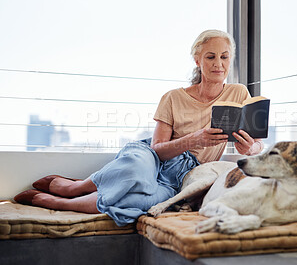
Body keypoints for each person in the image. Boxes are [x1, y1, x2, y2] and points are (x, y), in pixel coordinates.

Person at [14, 30, 264, 226]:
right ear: (198, 60)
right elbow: (158, 150)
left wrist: (251, 147)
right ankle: (75, 188)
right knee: (135, 170)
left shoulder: (238, 92)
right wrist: (194, 139)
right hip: (155, 155)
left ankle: (60, 204)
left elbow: (258, 144)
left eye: (224, 56)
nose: (218, 64)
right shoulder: (173, 97)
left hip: (182, 175)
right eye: (210, 56)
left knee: (137, 201)